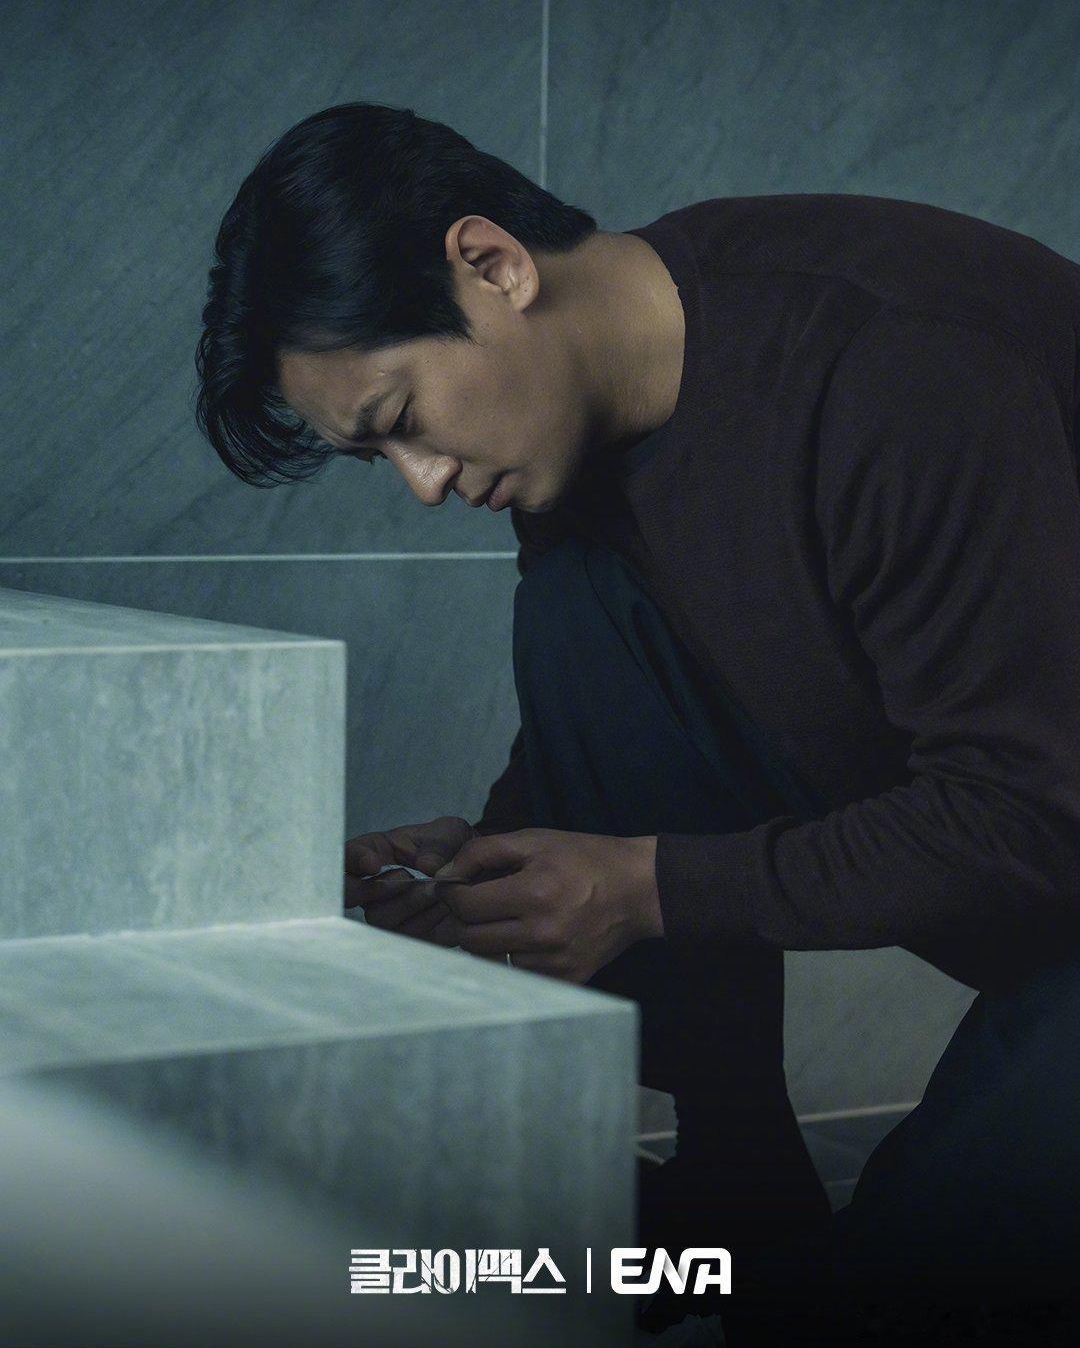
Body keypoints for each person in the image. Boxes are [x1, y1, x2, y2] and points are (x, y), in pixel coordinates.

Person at [195, 101, 1080, 1345]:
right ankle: (735, 1183)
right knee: (581, 610)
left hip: (1052, 842)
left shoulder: (898, 366)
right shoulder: (579, 421)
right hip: (1031, 860)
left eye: (402, 421)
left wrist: (650, 890)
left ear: (493, 265)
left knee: (884, 1306)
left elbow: (1036, 817)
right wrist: (486, 872)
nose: (425, 482)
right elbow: (635, 697)